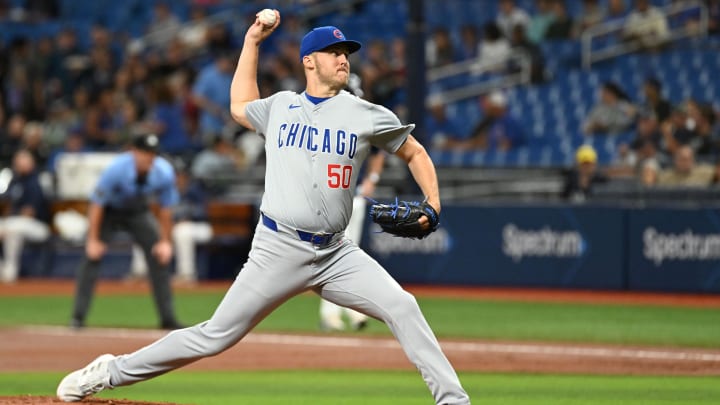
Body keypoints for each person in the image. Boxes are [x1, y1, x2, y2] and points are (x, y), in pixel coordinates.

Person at [57, 13, 470, 405]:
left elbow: (414, 152)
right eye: (334, 52)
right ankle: (110, 371)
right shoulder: (281, 106)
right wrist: (252, 40)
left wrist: (433, 203)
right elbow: (240, 105)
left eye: (347, 53)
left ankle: (453, 400)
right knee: (214, 337)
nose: (343, 58)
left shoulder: (366, 114)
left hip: (336, 253)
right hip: (279, 246)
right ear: (309, 61)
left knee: (403, 306)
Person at [68, 133, 183, 330]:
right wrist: (93, 239)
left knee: (159, 257)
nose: (150, 158)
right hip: (110, 211)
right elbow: (97, 204)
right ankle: (78, 317)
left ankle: (168, 318)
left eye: (153, 153)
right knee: (92, 259)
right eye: (145, 153)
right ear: (135, 152)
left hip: (138, 211)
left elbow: (166, 209)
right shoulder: (117, 168)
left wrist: (165, 241)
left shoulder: (163, 171)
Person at [319, 149, 385, 331]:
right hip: (332, 196)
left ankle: (350, 309)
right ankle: (333, 312)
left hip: (355, 195)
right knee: (334, 252)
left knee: (350, 251)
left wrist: (372, 179)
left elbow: (378, 152)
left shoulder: (363, 121)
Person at [0, 150, 51, 283]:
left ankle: (8, 272)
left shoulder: (35, 182)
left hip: (39, 227)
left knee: (10, 229)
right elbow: (9, 207)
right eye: (18, 160)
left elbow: (29, 213)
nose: (20, 163)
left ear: (32, 163)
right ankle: (8, 272)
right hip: (17, 226)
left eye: (23, 160)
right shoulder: (15, 181)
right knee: (13, 235)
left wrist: (7, 222)